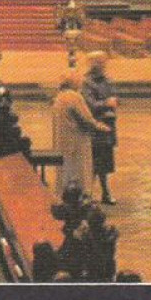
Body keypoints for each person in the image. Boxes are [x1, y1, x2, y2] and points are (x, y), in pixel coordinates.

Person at [51, 69, 110, 198]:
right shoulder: (74, 97)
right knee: (79, 172)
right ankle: (79, 198)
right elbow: (86, 118)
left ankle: (64, 195)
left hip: (63, 139)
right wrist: (100, 126)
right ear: (74, 82)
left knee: (65, 171)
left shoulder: (59, 96)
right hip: (76, 141)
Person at [81, 51, 118, 204]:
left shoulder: (107, 80)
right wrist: (106, 103)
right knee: (93, 161)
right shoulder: (87, 82)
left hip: (108, 125)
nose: (104, 65)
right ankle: (87, 193)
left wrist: (114, 102)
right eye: (102, 63)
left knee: (105, 162)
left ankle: (105, 192)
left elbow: (114, 97)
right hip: (96, 126)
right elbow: (89, 104)